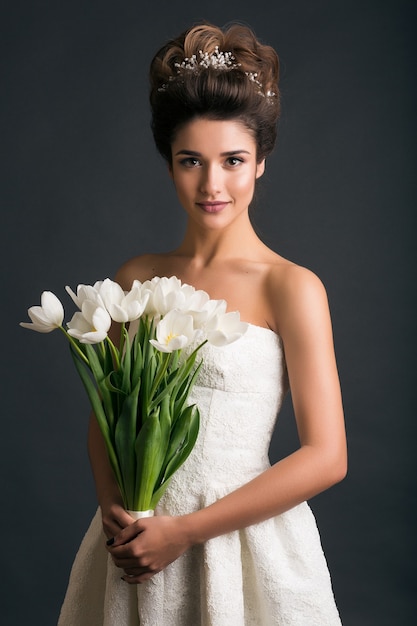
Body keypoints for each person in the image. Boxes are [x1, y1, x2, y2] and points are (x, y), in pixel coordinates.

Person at [58, 22, 347, 625]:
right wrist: (118, 514)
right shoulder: (138, 276)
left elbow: (326, 455)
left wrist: (185, 532)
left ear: (260, 162)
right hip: (136, 540)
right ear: (169, 164)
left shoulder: (290, 286)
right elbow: (106, 422)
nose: (212, 184)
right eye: (192, 160)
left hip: (239, 536)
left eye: (233, 160)